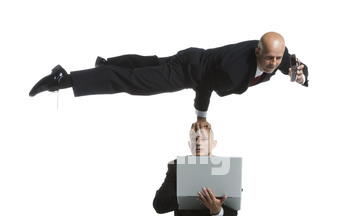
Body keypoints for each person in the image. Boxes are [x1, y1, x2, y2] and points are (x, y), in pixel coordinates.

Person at [29, 32, 309, 127]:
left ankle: (106, 64)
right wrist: (201, 116)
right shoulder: (233, 71)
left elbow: (294, 63)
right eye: (269, 58)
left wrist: (301, 74)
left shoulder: (279, 57)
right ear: (258, 51)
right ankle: (64, 80)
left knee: (148, 65)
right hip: (191, 72)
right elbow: (206, 85)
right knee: (132, 83)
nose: (274, 63)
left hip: (193, 56)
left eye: (278, 58)